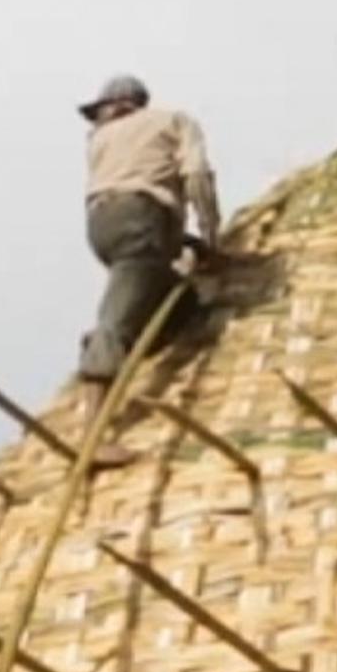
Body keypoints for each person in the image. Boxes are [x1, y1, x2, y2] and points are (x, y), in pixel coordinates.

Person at [74, 73, 220, 452]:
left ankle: (118, 337)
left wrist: (180, 240)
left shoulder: (99, 139)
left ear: (115, 105)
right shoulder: (174, 122)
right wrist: (210, 235)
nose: (100, 118)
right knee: (119, 312)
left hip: (102, 226)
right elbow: (197, 176)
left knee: (177, 305)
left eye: (101, 110)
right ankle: (93, 435)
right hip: (141, 220)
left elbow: (129, 185)